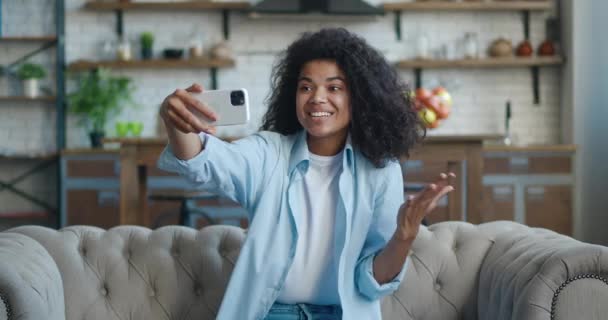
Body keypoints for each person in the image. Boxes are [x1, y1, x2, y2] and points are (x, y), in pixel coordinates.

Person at [157, 28, 454, 320]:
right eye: (306, 87)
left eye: (334, 88)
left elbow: (369, 282)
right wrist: (177, 122)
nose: (317, 98)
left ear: (359, 97)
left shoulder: (381, 170)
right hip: (272, 313)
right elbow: (201, 160)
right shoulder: (269, 153)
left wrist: (403, 237)